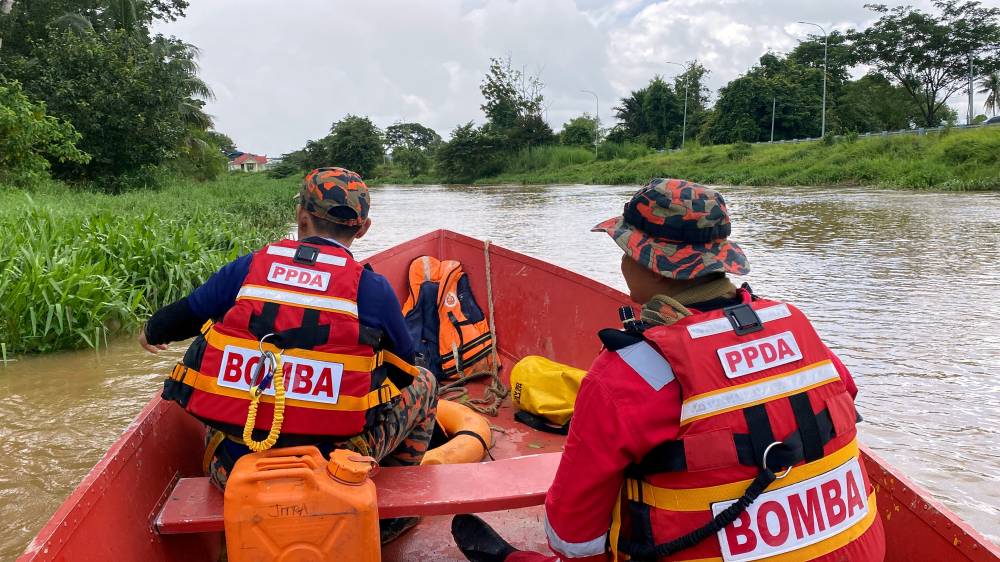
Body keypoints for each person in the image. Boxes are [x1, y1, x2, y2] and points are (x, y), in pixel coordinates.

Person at [452, 178, 885, 562]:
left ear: (645, 264)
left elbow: (573, 537)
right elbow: (840, 399)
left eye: (624, 251)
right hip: (862, 549)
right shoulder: (794, 323)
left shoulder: (629, 371)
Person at [140, 167, 437, 543]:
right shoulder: (372, 288)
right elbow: (405, 368)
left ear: (300, 215)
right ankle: (394, 519)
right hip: (332, 470)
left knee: (219, 387)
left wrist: (150, 330)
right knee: (426, 382)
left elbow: (179, 318)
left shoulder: (250, 267)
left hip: (231, 468)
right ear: (363, 229)